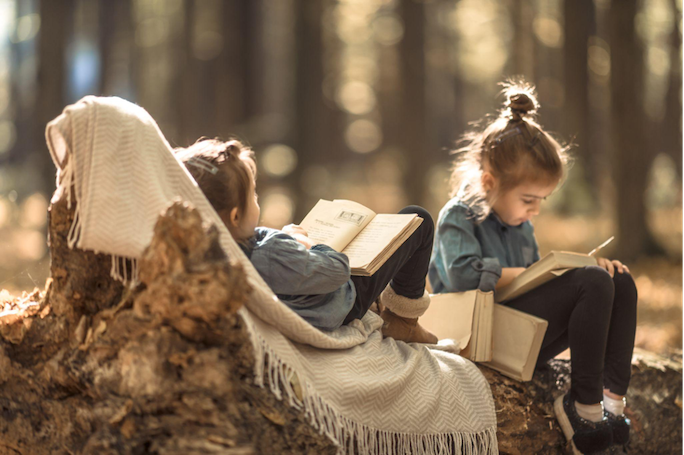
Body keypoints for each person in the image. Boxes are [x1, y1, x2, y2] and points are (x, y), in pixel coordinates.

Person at [429, 82, 638, 454]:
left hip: (520, 331)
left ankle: (611, 399)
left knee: (615, 279)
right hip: (480, 335)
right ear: (490, 182)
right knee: (590, 281)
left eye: (542, 200)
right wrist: (565, 276)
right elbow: (462, 275)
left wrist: (581, 270)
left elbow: (534, 284)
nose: (535, 211)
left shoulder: (521, 225)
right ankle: (582, 405)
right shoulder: (458, 216)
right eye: (529, 199)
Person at [175, 138, 438, 344]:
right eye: (254, 195)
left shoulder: (202, 259)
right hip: (344, 300)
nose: (258, 201)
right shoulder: (270, 255)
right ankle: (404, 321)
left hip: (308, 289)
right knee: (418, 220)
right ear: (234, 216)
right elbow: (337, 271)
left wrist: (285, 236)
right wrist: (312, 246)